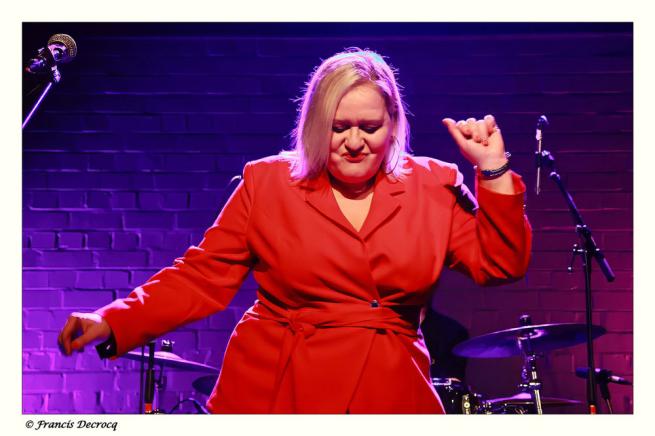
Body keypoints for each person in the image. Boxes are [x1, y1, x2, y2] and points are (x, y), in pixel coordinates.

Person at [58, 48, 531, 414]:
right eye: (338, 126)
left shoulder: (433, 183)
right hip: (277, 386)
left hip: (386, 387)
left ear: (393, 124)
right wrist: (113, 319)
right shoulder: (267, 183)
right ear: (313, 125)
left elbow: (500, 263)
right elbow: (200, 277)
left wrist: (492, 171)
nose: (353, 142)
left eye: (369, 126)